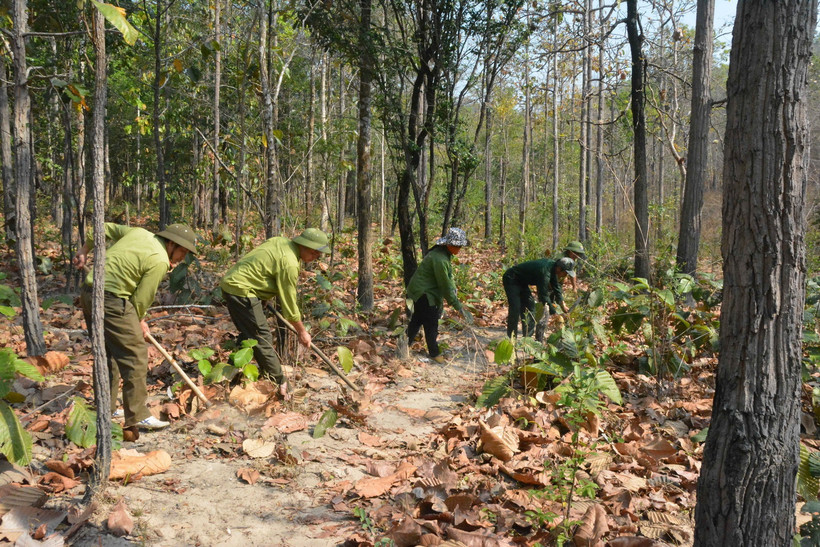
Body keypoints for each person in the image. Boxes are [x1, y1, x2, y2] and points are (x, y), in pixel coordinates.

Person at [73, 222, 198, 430]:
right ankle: (138, 415)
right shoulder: (159, 260)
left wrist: (84, 250)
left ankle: (106, 408)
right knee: (136, 356)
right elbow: (142, 298)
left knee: (108, 353)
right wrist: (139, 320)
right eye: (182, 252)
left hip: (89, 292)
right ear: (170, 244)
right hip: (111, 300)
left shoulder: (139, 232)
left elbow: (102, 227)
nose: (181, 258)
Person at [219, 228, 330, 398]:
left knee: (250, 335)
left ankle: (226, 377)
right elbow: (289, 304)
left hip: (233, 284)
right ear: (304, 246)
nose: (316, 257)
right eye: (314, 253)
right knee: (262, 337)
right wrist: (301, 331)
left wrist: (262, 295)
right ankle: (280, 383)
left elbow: (262, 266)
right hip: (242, 291)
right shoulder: (290, 263)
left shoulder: (280, 241)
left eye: (318, 255)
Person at [405, 227, 472, 364]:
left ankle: (404, 344)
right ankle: (434, 353)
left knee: (417, 319)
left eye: (460, 246)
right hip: (424, 293)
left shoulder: (443, 255)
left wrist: (454, 291)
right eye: (457, 246)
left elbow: (449, 278)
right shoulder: (440, 259)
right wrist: (457, 305)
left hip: (421, 290)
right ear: (449, 244)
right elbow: (444, 285)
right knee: (431, 323)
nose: (459, 249)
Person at [502, 256, 575, 339]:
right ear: (559, 268)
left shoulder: (553, 268)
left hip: (522, 282)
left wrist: (562, 303)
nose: (565, 275)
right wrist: (554, 313)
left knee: (530, 307)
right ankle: (511, 338)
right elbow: (543, 294)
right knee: (515, 308)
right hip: (511, 278)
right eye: (565, 272)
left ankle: (527, 338)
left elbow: (556, 286)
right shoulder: (544, 272)